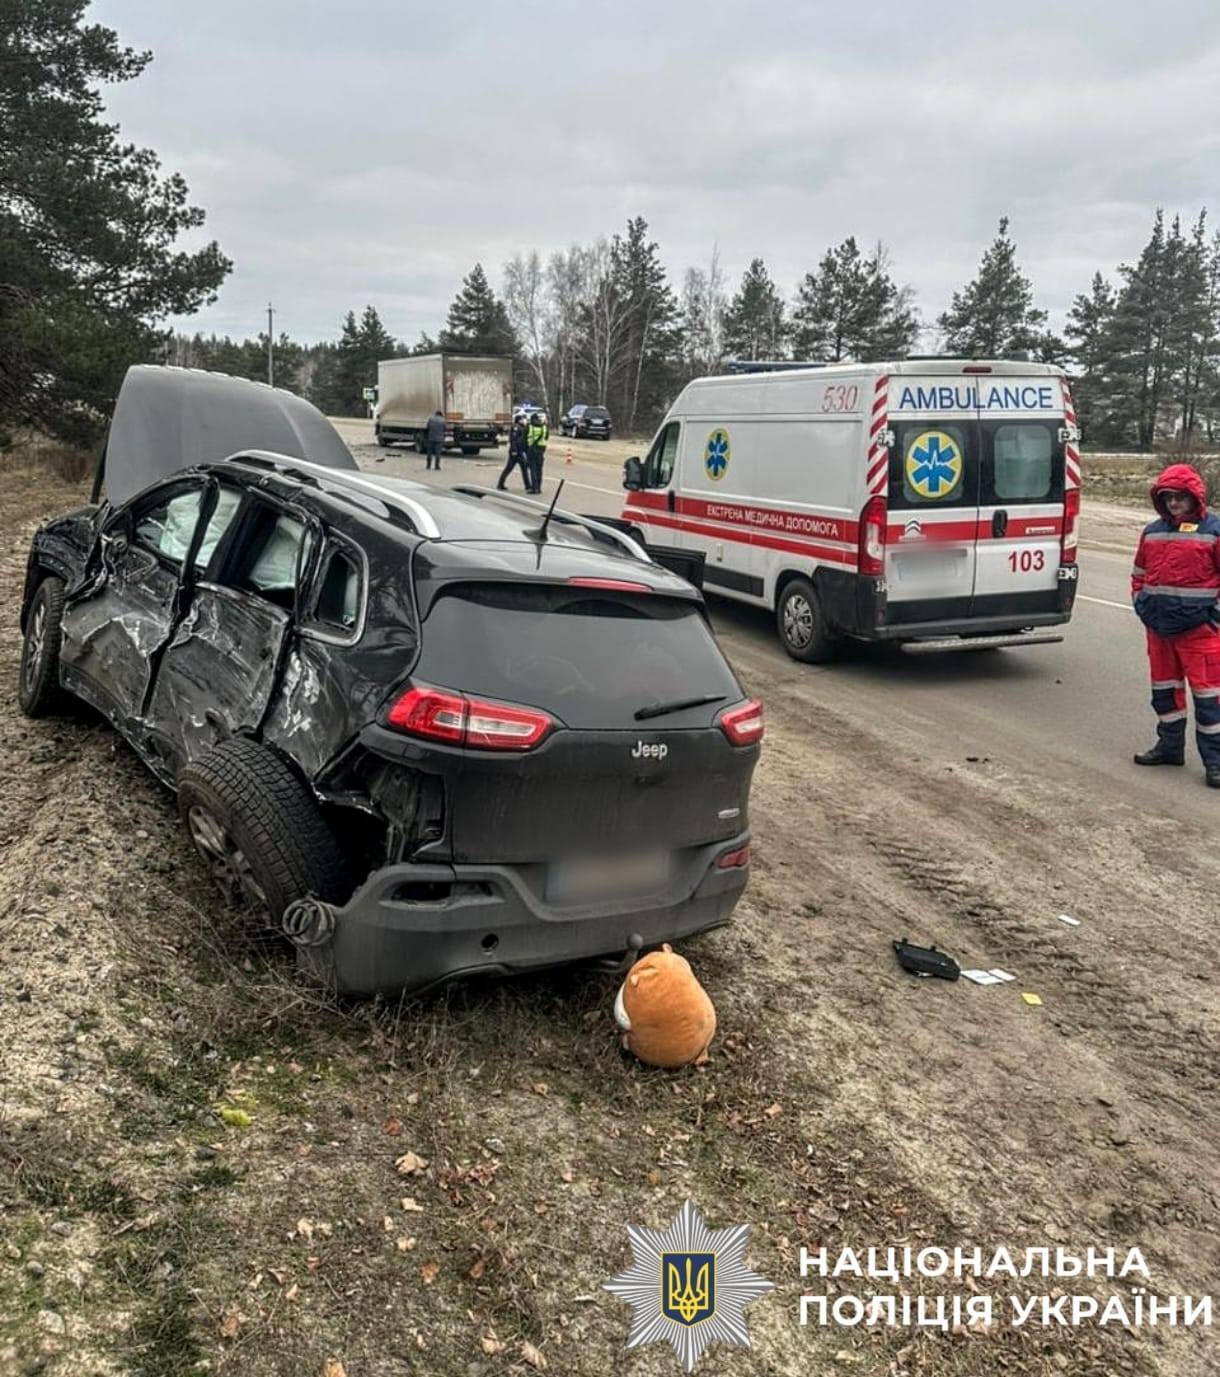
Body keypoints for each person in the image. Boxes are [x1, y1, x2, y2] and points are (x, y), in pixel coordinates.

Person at [1130, 463, 1220, 787]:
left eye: (1179, 497)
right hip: (1159, 630)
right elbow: (1139, 574)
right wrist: (1141, 604)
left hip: (1200, 633)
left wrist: (1214, 619)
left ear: (1194, 496)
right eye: (1167, 497)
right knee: (1165, 694)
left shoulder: (1214, 531)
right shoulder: (1152, 532)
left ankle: (1216, 762)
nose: (1173, 503)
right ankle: (1169, 748)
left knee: (1210, 701)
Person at [497, 413, 530, 490]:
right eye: (522, 419)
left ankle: (528, 485)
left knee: (524, 468)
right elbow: (514, 440)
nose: (524, 420)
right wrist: (514, 450)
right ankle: (500, 484)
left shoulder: (522, 427)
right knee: (509, 468)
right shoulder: (516, 427)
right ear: (519, 420)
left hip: (520, 452)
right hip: (515, 452)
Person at [525, 410, 549, 494]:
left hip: (532, 449)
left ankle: (534, 488)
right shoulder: (544, 427)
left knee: (533, 469)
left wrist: (525, 449)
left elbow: (524, 439)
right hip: (541, 450)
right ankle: (539, 488)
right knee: (539, 470)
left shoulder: (529, 427)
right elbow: (546, 437)